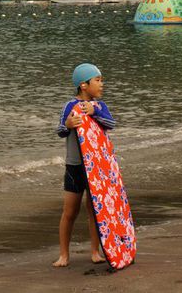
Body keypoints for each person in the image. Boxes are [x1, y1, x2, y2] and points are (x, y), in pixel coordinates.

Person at [53, 63, 115, 267]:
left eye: (101, 80)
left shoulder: (100, 106)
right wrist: (69, 125)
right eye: (98, 80)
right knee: (69, 212)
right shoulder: (70, 106)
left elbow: (111, 124)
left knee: (94, 210)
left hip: (96, 167)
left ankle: (95, 252)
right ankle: (64, 255)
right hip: (75, 166)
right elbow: (61, 130)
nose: (102, 84)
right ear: (83, 85)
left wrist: (95, 111)